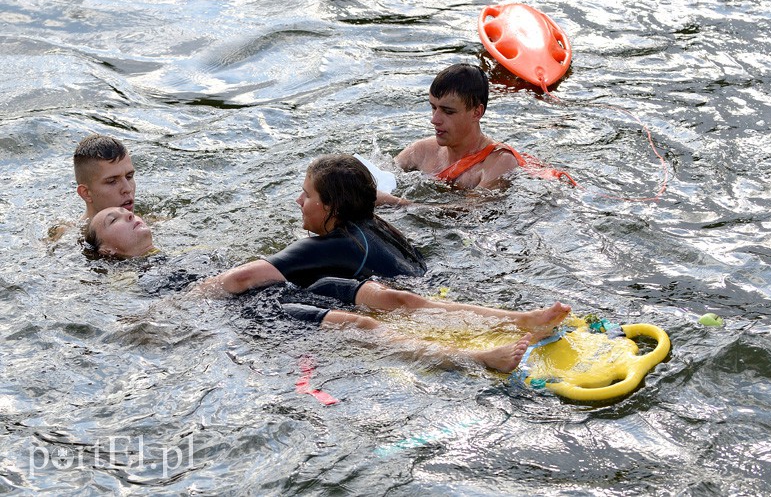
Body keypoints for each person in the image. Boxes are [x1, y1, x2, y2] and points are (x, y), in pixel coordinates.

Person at [85, 206, 572, 373]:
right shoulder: (141, 279)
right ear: (107, 251)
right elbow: (167, 315)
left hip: (290, 288)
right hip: (259, 313)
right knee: (360, 324)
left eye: (128, 210)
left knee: (395, 298)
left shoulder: (182, 253)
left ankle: (521, 318)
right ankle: (476, 358)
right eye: (114, 220)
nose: (128, 213)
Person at [198, 154, 427, 294]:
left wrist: (184, 300)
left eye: (307, 196)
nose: (298, 201)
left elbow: (240, 278)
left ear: (332, 207)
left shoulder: (332, 246)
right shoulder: (374, 224)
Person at [376, 63, 573, 205]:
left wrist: (394, 203)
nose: (434, 119)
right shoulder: (420, 151)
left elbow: (465, 214)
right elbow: (377, 176)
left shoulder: (499, 163)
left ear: (477, 112)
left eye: (448, 111)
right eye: (433, 108)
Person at [74, 134, 136, 222]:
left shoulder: (149, 224)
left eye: (129, 177)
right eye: (112, 181)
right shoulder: (68, 235)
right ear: (86, 193)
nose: (128, 189)